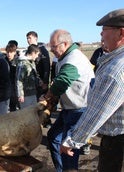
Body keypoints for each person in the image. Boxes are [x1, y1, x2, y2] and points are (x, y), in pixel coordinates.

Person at [60, 9, 124, 172]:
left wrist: (73, 140)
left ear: (121, 33)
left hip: (118, 143)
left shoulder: (116, 69)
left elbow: (97, 112)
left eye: (105, 30)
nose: (101, 35)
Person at [40, 29, 94, 171]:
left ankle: (67, 168)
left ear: (64, 44)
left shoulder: (73, 59)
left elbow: (62, 81)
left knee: (68, 149)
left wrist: (46, 97)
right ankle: (61, 169)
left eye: (54, 46)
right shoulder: (64, 57)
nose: (51, 50)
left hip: (79, 110)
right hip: (69, 108)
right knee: (53, 136)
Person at [26, 31, 50, 97]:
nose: (28, 40)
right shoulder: (29, 50)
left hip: (41, 81)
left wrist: (45, 82)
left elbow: (46, 67)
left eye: (30, 38)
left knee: (42, 103)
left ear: (36, 38)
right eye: (27, 38)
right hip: (32, 82)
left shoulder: (42, 50)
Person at [16, 44, 41, 109]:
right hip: (26, 95)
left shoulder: (31, 62)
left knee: (33, 114)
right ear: (33, 53)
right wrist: (20, 95)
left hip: (33, 92)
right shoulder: (23, 64)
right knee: (26, 115)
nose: (37, 56)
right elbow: (19, 80)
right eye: (37, 54)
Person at [4, 40, 19, 112]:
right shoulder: (3, 61)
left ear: (15, 52)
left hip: (17, 88)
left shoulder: (19, 61)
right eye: (7, 52)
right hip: (7, 88)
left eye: (11, 52)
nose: (9, 54)